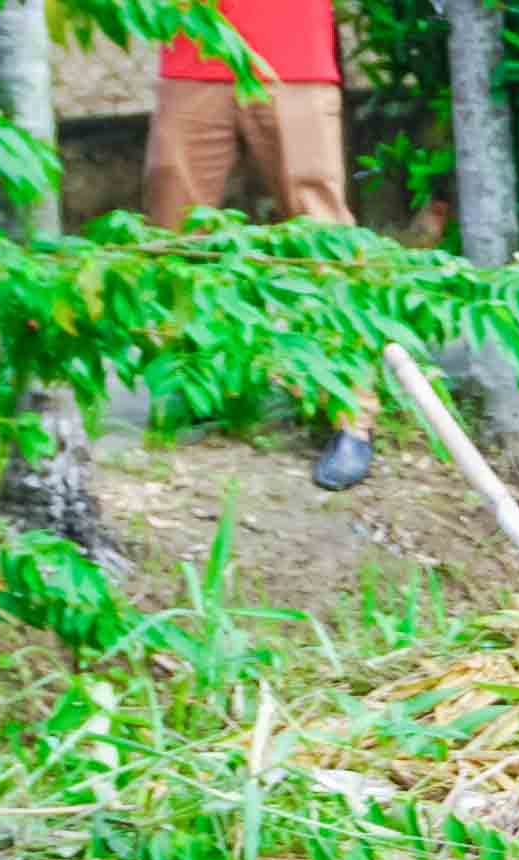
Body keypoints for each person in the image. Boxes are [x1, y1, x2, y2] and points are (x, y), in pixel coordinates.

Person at [142, 0, 374, 491]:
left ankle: (352, 413)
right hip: (192, 57)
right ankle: (187, 393)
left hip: (294, 60)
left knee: (322, 244)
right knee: (173, 236)